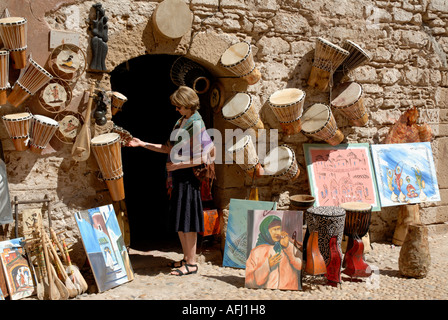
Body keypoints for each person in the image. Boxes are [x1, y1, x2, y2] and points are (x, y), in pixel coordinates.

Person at [126, 86, 214, 276]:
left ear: (189, 105)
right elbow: (167, 148)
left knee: (188, 221)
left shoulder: (196, 124)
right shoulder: (182, 121)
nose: (176, 109)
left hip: (189, 178)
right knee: (182, 219)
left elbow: (202, 158)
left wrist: (177, 166)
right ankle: (186, 258)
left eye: (179, 106)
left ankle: (192, 263)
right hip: (179, 177)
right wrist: (142, 144)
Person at [245, 215, 302, 290]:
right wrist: (267, 266)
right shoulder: (256, 252)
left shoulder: (287, 245)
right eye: (273, 230)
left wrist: (288, 247)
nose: (276, 233)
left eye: (278, 229)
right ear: (265, 231)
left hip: (289, 292)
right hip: (266, 293)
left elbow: (300, 266)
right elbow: (248, 281)